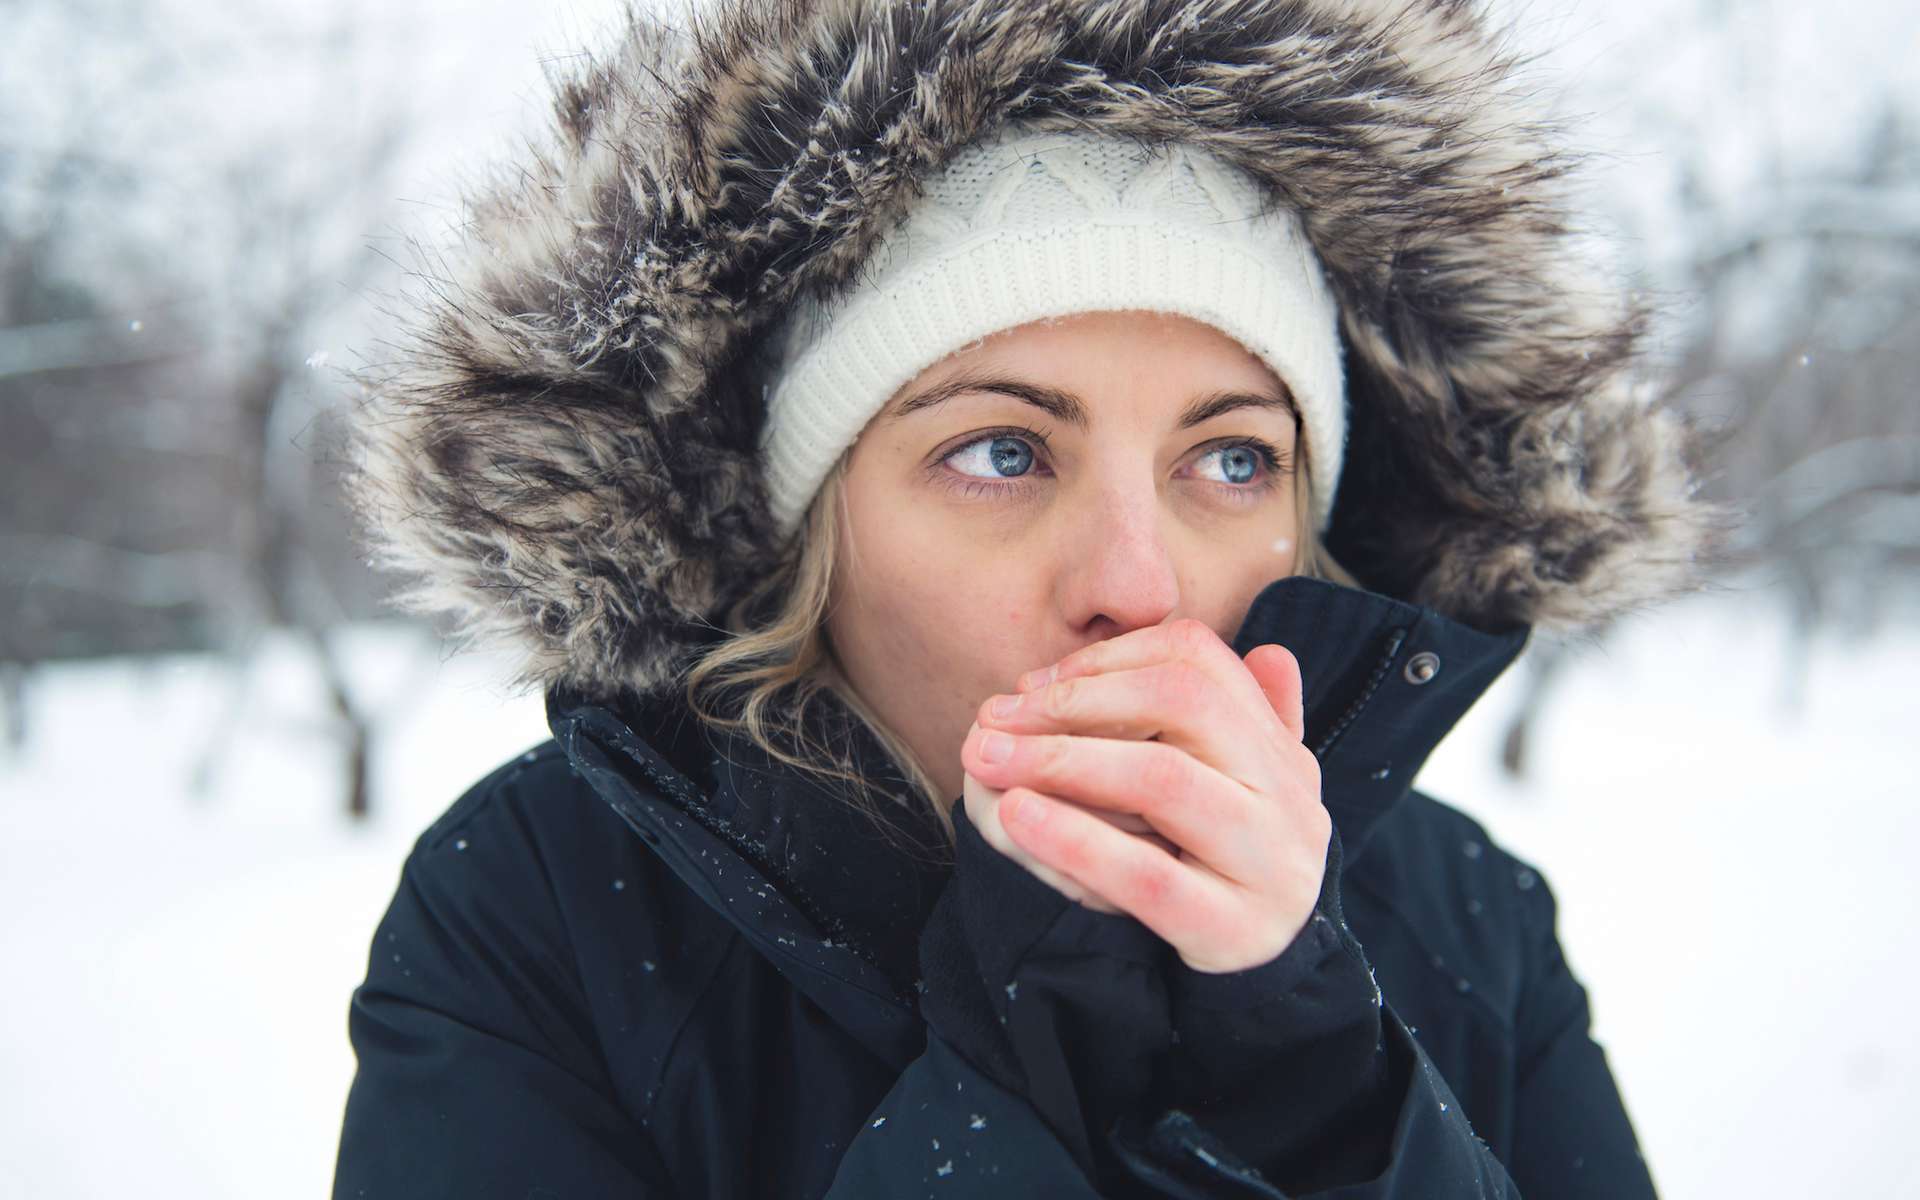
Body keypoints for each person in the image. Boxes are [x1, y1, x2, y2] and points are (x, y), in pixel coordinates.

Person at [331, 1, 1726, 1197]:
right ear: (816, 528)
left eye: (1231, 459)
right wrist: (1034, 1040)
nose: (1137, 583)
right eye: (1003, 453)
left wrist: (1313, 1075)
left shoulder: (1466, 913)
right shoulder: (544, 911)